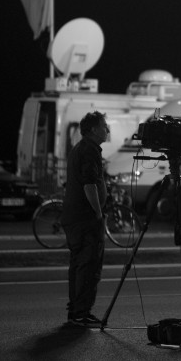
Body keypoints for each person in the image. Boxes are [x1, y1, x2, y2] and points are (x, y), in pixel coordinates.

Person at [61, 110, 110, 327]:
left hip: (75, 218)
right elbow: (89, 185)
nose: (107, 129)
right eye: (103, 125)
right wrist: (98, 213)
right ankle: (81, 313)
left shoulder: (80, 148)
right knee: (88, 266)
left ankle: (77, 311)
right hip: (85, 219)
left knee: (79, 265)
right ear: (92, 129)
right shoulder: (89, 151)